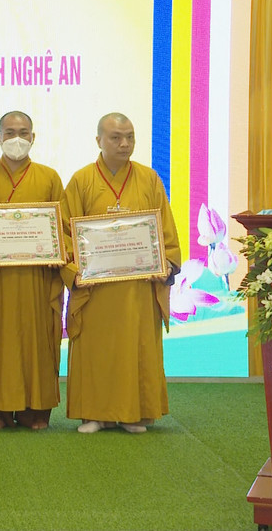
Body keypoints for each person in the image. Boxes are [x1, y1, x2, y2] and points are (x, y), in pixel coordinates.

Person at [60, 112, 181, 434]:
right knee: (95, 350)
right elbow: (65, 232)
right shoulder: (82, 180)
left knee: (135, 349)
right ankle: (93, 414)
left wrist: (166, 265)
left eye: (130, 137)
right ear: (98, 140)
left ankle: (133, 414)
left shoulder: (149, 179)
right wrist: (75, 271)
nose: (124, 143)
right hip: (96, 289)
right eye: (116, 137)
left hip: (137, 289)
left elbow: (166, 230)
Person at [0, 111, 65, 430]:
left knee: (35, 339)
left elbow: (62, 227)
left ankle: (33, 411)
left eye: (23, 132)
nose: (17, 139)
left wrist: (58, 251)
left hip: (36, 280)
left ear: (33, 137)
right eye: (9, 133)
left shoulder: (49, 178)